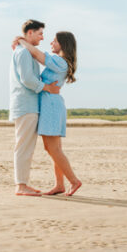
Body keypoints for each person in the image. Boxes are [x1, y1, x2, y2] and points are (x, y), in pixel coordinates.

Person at [13, 31, 82, 196]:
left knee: (52, 148)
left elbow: (37, 54)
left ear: (63, 45)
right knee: (55, 148)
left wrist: (22, 41)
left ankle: (74, 181)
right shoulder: (61, 62)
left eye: (54, 41)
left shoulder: (59, 61)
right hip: (53, 104)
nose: (51, 43)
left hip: (50, 105)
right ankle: (60, 185)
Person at [9, 20, 60, 196]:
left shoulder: (24, 52)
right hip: (25, 105)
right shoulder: (23, 53)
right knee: (23, 146)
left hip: (28, 105)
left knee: (26, 147)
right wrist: (47, 88)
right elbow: (28, 80)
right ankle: (21, 186)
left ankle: (23, 184)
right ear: (29, 33)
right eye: (40, 33)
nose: (42, 37)